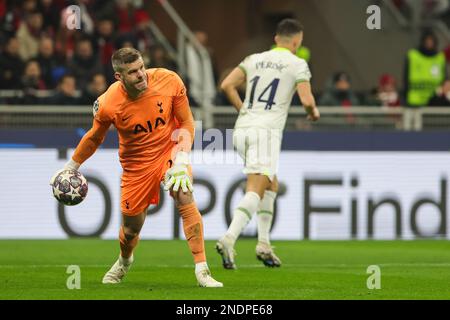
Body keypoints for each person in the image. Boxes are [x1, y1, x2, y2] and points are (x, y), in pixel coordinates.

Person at [49, 48, 223, 287]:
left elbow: (186, 121)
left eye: (142, 67)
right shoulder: (108, 104)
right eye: (133, 72)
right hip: (136, 167)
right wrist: (70, 166)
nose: (141, 75)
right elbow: (94, 138)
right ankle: (124, 260)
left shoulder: (169, 80)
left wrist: (182, 159)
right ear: (119, 77)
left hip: (169, 151)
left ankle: (202, 270)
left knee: (184, 194)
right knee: (131, 230)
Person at [215, 19, 319, 269]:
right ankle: (229, 238)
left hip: (242, 130)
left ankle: (263, 244)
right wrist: (313, 112)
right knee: (256, 188)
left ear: (276, 39)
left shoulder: (254, 59)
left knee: (271, 183)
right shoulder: (297, 64)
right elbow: (306, 99)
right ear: (296, 42)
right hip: (266, 132)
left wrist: (244, 111)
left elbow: (226, 85)